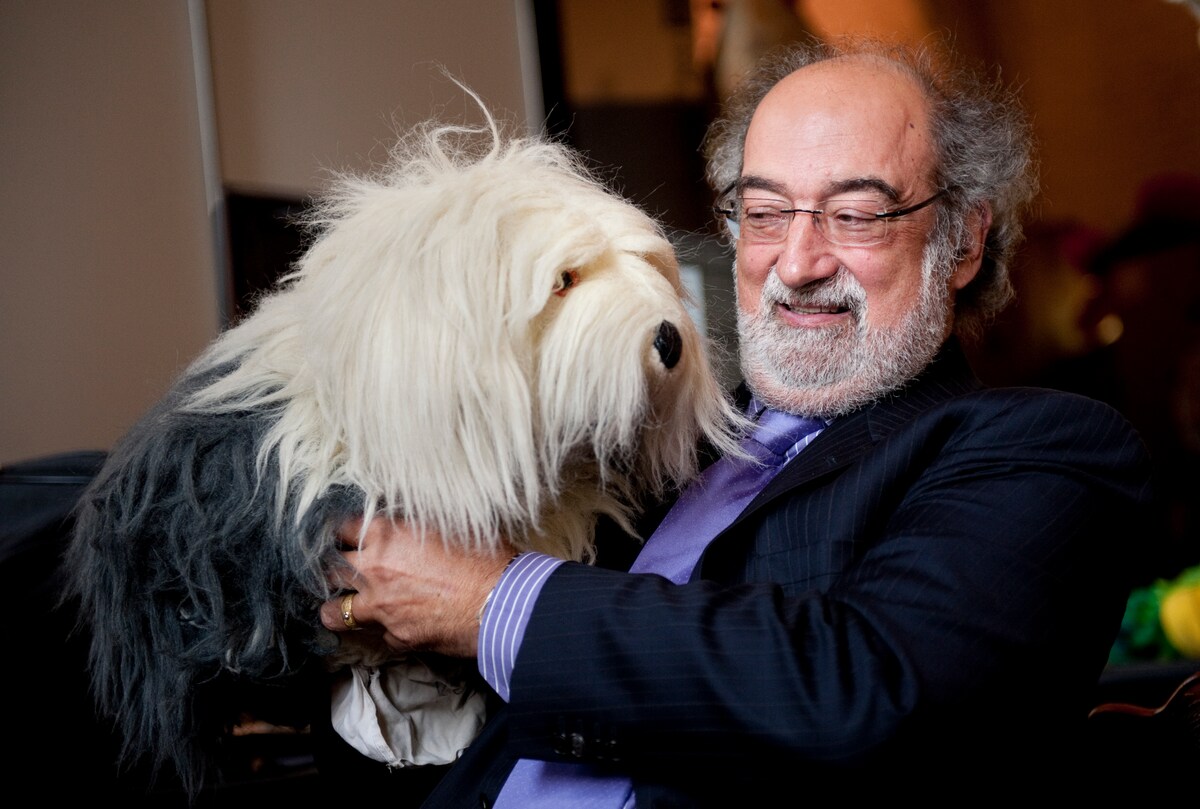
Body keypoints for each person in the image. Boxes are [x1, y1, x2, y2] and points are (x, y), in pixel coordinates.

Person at [317, 36, 1153, 803]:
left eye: (855, 214)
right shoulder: (651, 449)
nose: (797, 262)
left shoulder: (1045, 451)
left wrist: (491, 600)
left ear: (963, 242)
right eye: (764, 212)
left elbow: (869, 694)